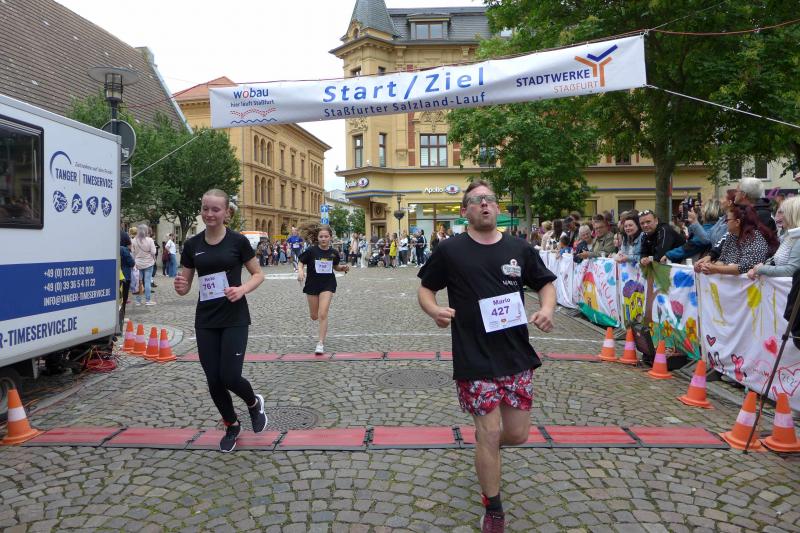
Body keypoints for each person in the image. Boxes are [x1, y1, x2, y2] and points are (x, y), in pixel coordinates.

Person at [417, 180, 556, 532]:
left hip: (515, 355)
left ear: (497, 207)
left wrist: (547, 309)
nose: (484, 204)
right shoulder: (450, 250)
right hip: (473, 355)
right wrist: (434, 310)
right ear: (465, 210)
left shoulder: (519, 248)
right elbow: (426, 289)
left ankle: (486, 449)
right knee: (490, 432)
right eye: (476, 200)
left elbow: (545, 283)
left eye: (489, 199)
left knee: (517, 434)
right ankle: (493, 507)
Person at [173, 189, 267, 453]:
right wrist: (180, 287)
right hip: (206, 319)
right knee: (214, 380)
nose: (209, 214)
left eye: (215, 209)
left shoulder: (238, 241)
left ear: (226, 212)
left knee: (230, 376)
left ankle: (254, 403)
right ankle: (231, 425)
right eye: (205, 208)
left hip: (234, 317)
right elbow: (185, 285)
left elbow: (258, 274)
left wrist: (242, 289)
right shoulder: (192, 245)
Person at [297, 223, 350, 354]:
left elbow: (335, 267)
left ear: (330, 237)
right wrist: (300, 271)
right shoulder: (311, 251)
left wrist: (342, 268)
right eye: (321, 236)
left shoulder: (334, 253)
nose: (323, 239)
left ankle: (320, 343)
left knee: (323, 314)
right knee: (314, 316)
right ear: (318, 238)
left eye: (326, 236)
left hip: (328, 284)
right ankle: (319, 336)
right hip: (312, 284)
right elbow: (301, 262)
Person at [694, 204, 776, 276]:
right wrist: (706, 266)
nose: (726, 223)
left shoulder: (756, 238)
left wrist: (714, 268)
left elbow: (743, 267)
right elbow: (722, 260)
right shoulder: (731, 236)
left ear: (737, 222)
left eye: (727, 220)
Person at [748, 197, 800, 279]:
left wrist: (761, 269)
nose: (779, 217)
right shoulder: (788, 235)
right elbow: (775, 259)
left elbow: (791, 270)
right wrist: (761, 266)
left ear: (792, 215)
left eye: (783, 213)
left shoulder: (798, 238)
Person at [131, 224, 157, 306]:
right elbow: (153, 252)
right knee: (147, 282)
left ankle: (138, 301)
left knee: (139, 282)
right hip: (149, 263)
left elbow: (132, 253)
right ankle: (148, 300)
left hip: (138, 263)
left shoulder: (134, 240)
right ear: (146, 231)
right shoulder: (150, 240)